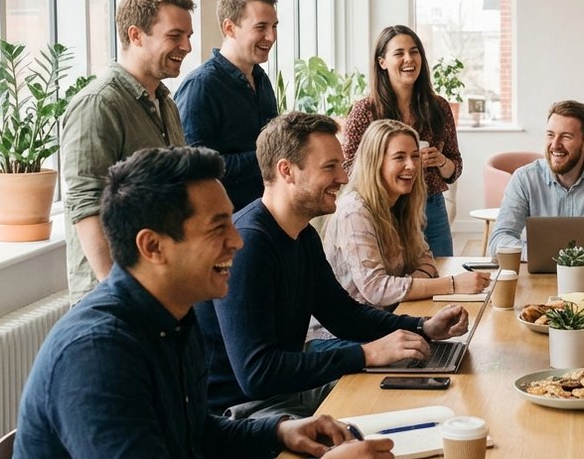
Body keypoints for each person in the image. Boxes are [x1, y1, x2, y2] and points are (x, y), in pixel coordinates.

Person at [8, 146, 396, 459]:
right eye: (218, 228)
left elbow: (192, 431)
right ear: (153, 246)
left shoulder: (171, 313)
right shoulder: (96, 353)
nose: (238, 240)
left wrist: (278, 431)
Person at [199, 112, 469, 418]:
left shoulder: (303, 234)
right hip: (245, 414)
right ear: (287, 171)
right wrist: (366, 353)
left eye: (340, 165)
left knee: (427, 402)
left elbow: (344, 315)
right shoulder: (249, 246)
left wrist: (421, 327)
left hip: (288, 393)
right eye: (330, 167)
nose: (342, 178)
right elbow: (256, 374)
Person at [61, 0, 195, 301]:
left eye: (188, 36)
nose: (187, 46)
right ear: (136, 35)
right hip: (118, 294)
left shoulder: (165, 102)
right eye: (175, 36)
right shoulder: (98, 103)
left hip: (160, 279)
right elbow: (86, 203)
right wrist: (119, 291)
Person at [324, 119, 490, 310]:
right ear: (375, 162)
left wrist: (402, 287)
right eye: (399, 157)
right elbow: (376, 289)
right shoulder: (354, 211)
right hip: (348, 334)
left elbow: (428, 263)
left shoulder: (401, 204)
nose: (411, 166)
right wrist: (453, 284)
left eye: (415, 156)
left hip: (391, 316)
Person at [342, 26, 462, 256]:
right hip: (384, 207)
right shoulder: (364, 111)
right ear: (382, 62)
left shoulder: (439, 107)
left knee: (441, 272)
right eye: (399, 53)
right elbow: (349, 168)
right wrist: (390, 163)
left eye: (414, 52)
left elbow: (454, 168)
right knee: (396, 280)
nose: (409, 59)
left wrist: (440, 161)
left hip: (431, 206)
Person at [488, 100, 584, 261]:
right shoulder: (524, 179)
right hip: (537, 279)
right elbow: (499, 241)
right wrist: (551, 255)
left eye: (566, 137)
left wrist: (577, 257)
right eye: (550, 135)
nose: (555, 145)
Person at [176, 0, 281, 211]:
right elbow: (196, 168)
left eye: (274, 26)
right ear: (230, 28)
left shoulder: (261, 79)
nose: (271, 36)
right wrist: (269, 156)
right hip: (225, 223)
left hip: (264, 215)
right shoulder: (201, 86)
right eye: (261, 27)